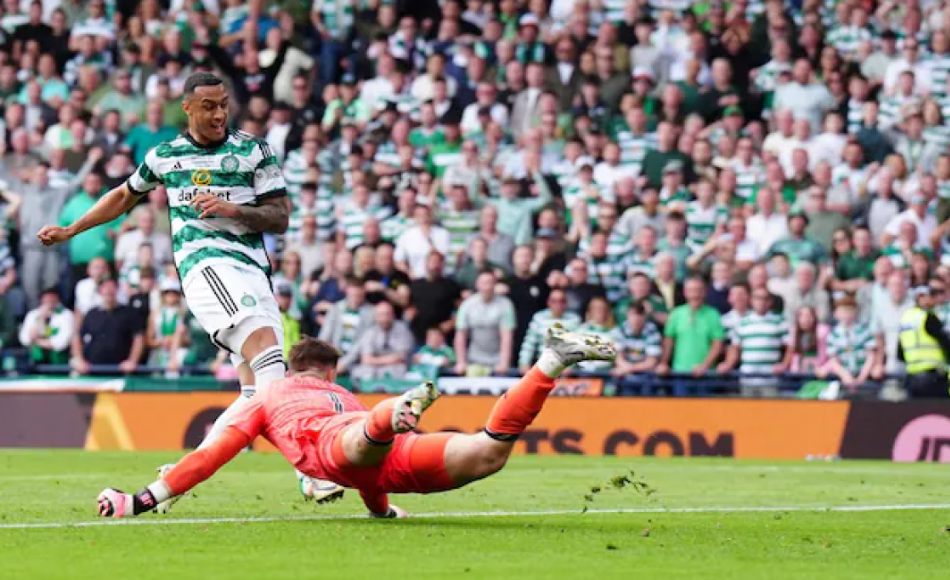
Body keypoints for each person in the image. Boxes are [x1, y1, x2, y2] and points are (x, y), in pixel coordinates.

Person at [36, 71, 343, 506]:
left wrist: (233, 209)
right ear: (188, 109)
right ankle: (309, 471)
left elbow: (279, 216)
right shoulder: (166, 156)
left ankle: (178, 477)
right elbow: (124, 196)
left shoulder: (254, 151)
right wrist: (72, 229)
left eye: (223, 104)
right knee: (270, 352)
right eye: (209, 106)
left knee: (257, 390)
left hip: (253, 271)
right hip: (205, 268)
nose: (219, 113)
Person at [96, 330, 616, 519]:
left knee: (357, 441)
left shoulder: (267, 395)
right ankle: (549, 362)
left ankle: (396, 410)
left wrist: (144, 497)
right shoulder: (341, 392)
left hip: (341, 448)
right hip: (382, 452)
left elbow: (210, 456)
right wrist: (382, 512)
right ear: (330, 370)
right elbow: (366, 475)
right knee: (488, 452)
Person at [897, 286, 950, 399]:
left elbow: (900, 354)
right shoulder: (928, 317)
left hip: (912, 377)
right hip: (933, 378)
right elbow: (949, 346)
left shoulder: (906, 318)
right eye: (932, 295)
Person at [18, 286, 74, 365]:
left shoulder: (66, 315)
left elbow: (61, 343)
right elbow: (25, 339)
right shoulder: (33, 315)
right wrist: (41, 319)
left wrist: (37, 341)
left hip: (59, 363)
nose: (49, 300)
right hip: (36, 362)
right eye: (46, 297)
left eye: (52, 297)